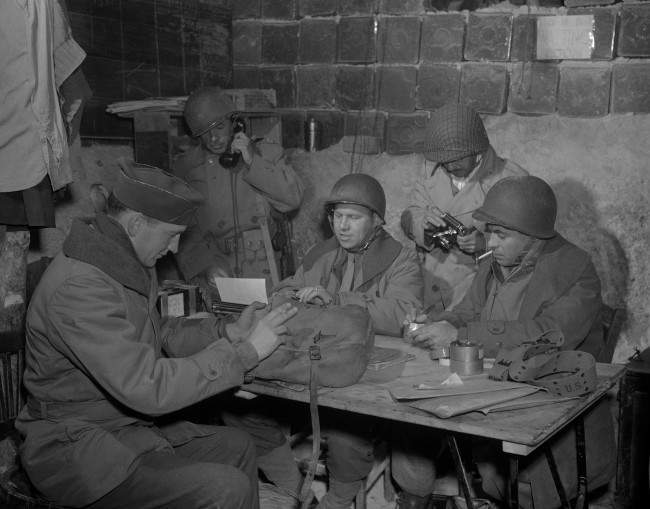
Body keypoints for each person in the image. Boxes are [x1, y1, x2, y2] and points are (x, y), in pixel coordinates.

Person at [15, 161, 298, 509]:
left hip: (121, 428)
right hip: (75, 447)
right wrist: (245, 354)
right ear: (135, 224)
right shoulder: (82, 286)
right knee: (226, 488)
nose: (176, 248)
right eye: (171, 234)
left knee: (238, 445)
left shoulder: (123, 260)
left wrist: (227, 330)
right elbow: (146, 385)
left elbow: (160, 332)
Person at [395, 175, 614, 509]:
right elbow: (468, 311)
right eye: (489, 232)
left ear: (532, 236)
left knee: (524, 483)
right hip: (493, 381)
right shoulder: (494, 262)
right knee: (411, 428)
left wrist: (464, 334)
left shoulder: (576, 270)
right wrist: (441, 322)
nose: (491, 242)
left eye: (501, 234)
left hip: (550, 394)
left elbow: (551, 333)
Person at [274, 173, 424, 508]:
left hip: (370, 370)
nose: (342, 226)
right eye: (337, 217)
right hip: (320, 361)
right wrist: (297, 296)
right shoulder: (322, 253)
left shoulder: (401, 257)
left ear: (376, 221)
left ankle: (341, 492)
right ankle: (291, 483)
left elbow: (403, 311)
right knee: (251, 404)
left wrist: (339, 300)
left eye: (353, 218)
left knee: (346, 427)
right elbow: (283, 290)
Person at [172, 86, 304, 299]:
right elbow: (183, 230)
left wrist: (253, 160)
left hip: (262, 264)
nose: (213, 138)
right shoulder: (187, 169)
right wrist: (203, 265)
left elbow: (292, 199)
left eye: (219, 127)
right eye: (204, 133)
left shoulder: (267, 155)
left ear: (235, 123)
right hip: (216, 265)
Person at [400, 103, 527, 314]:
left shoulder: (511, 181)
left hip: (478, 289)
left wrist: (484, 242)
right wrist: (421, 224)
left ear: (477, 149)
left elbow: (528, 245)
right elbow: (410, 214)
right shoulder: (430, 171)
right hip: (429, 281)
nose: (449, 166)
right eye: (444, 161)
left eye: (457, 159)